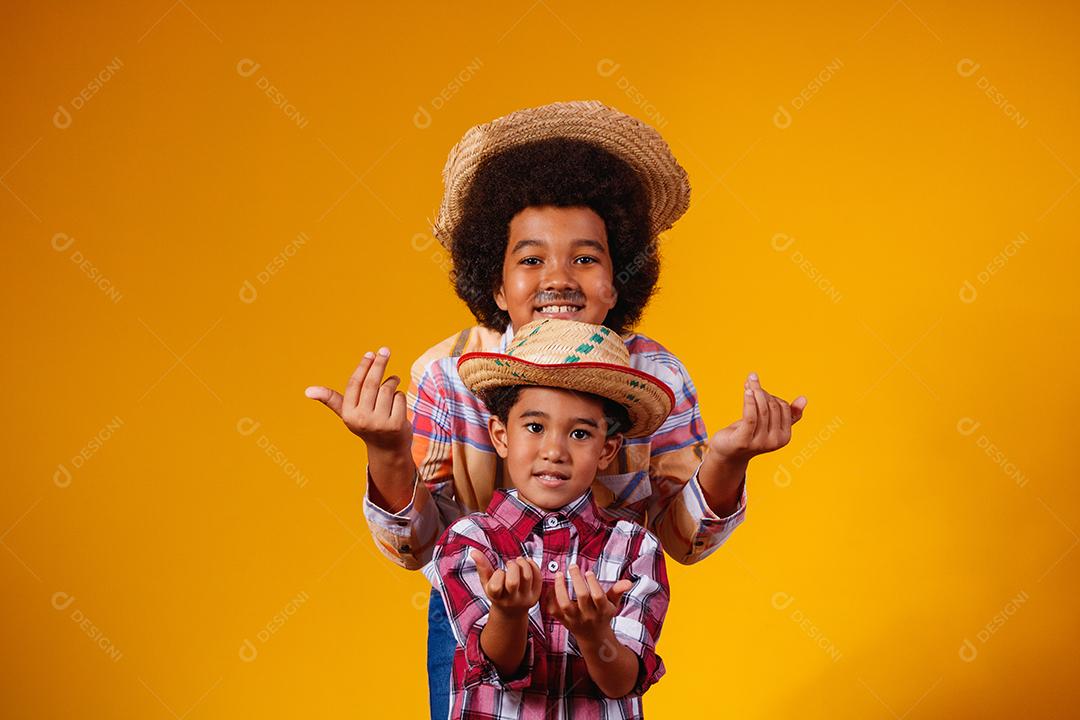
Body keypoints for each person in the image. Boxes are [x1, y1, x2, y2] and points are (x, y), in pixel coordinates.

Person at [304, 100, 808, 718]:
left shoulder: (657, 376)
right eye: (531, 258)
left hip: (608, 597)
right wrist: (386, 454)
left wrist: (727, 461)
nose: (559, 277)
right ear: (494, 283)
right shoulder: (447, 372)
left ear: (619, 281)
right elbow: (424, 546)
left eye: (587, 257)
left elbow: (683, 540)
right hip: (481, 603)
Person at [439, 318, 672, 718]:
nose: (554, 451)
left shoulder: (636, 547)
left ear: (607, 449)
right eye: (534, 427)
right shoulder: (470, 540)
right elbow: (497, 666)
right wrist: (508, 614)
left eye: (580, 434)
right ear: (500, 435)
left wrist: (594, 632)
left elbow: (621, 683)